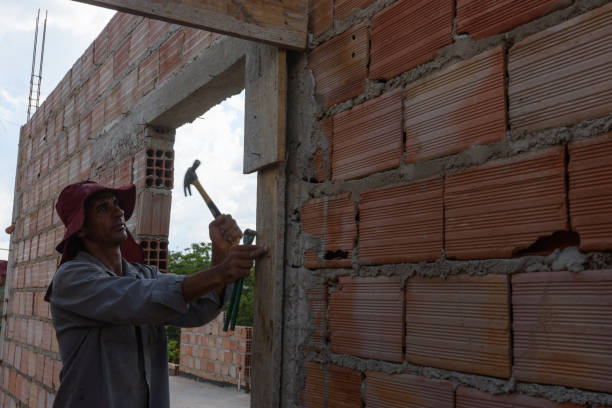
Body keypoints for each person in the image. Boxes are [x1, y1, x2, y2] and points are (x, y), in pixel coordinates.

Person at [45, 181, 267, 408]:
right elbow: (139, 299)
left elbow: (199, 309)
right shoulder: (71, 279)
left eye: (116, 204)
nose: (119, 211)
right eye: (103, 208)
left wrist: (220, 254)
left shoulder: (143, 274)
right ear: (81, 228)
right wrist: (221, 271)